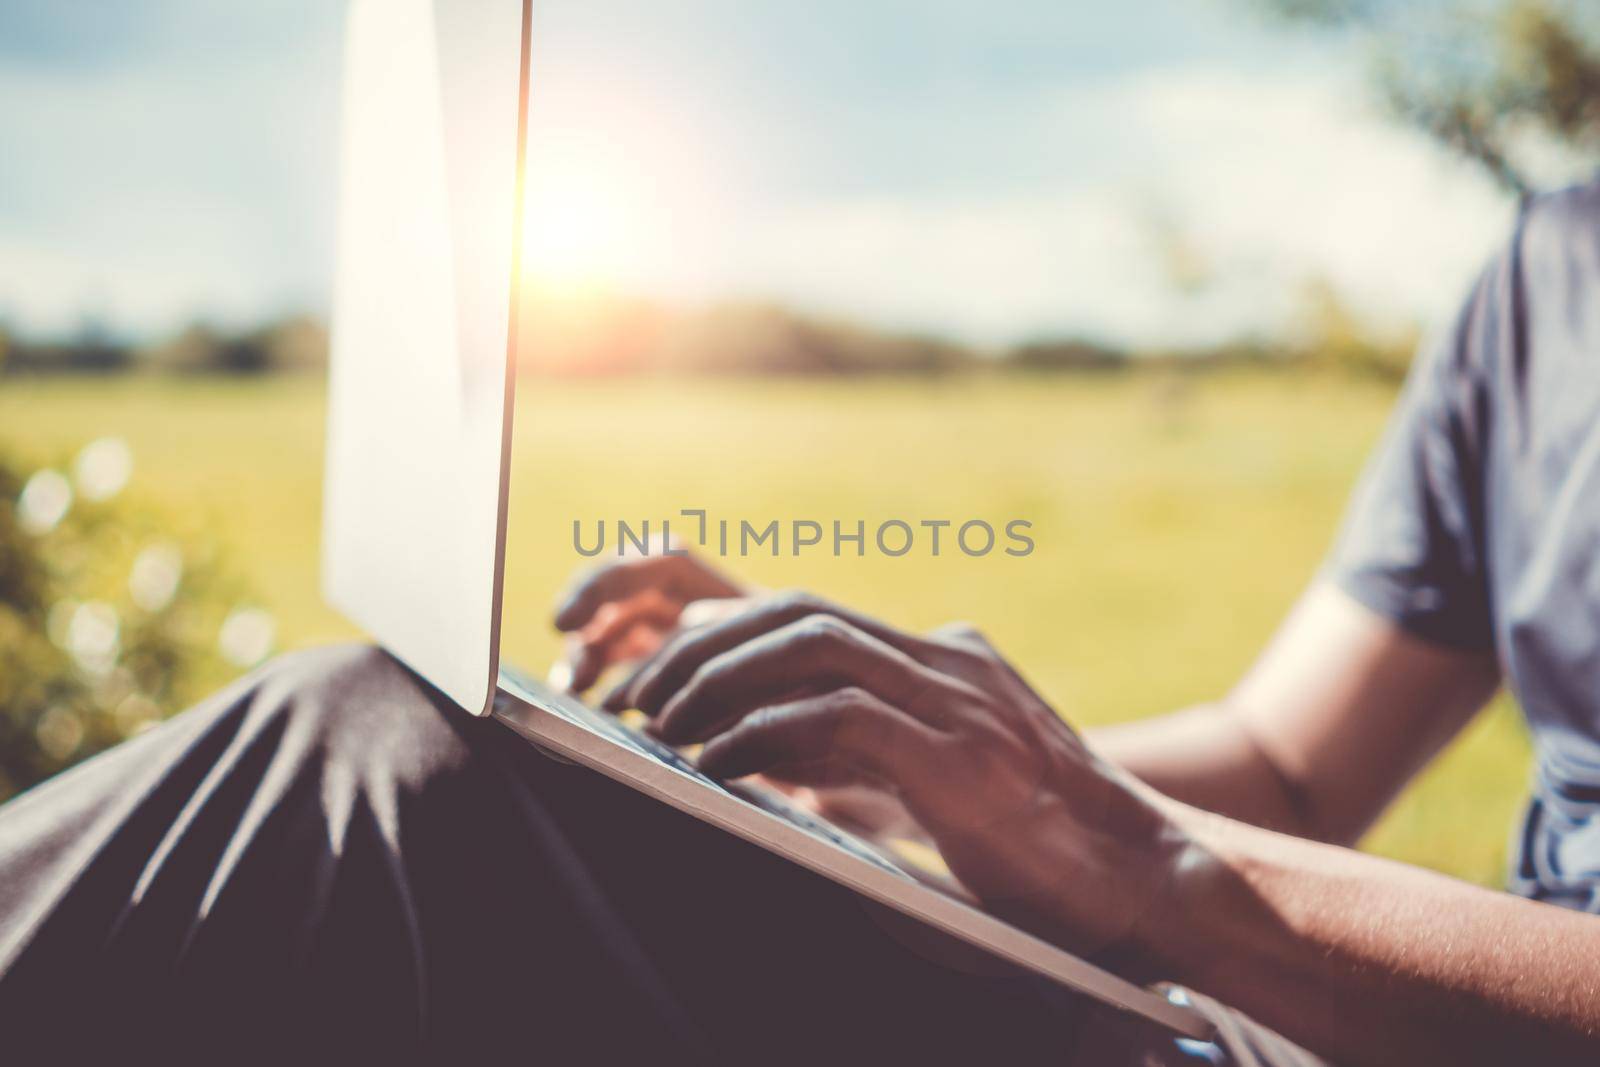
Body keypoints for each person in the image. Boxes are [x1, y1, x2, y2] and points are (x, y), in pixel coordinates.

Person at [8, 184, 1600, 1065]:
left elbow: (1221, 854)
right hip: (1296, 1020)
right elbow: (1293, 768)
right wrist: (886, 766)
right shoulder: (1552, 276)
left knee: (374, 773)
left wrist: (1156, 872)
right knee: (431, 775)